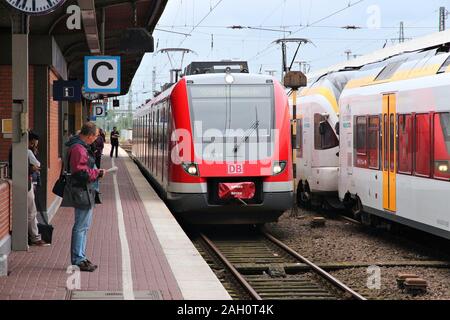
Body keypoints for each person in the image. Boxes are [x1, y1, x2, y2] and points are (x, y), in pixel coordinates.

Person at [65, 122, 106, 272]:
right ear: (89, 135)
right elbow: (80, 173)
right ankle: (78, 259)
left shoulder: (80, 147)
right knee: (81, 227)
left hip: (85, 190)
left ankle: (81, 256)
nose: (95, 139)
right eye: (95, 136)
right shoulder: (78, 148)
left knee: (84, 226)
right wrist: (97, 173)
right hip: (81, 190)